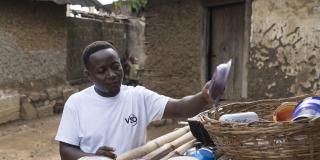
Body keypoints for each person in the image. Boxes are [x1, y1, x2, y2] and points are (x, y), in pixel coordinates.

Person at [55, 41, 212, 160]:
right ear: (89, 75)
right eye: (101, 71)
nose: (111, 74)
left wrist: (203, 97)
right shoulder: (76, 103)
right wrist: (92, 157)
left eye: (115, 66)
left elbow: (180, 108)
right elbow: (66, 150)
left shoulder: (138, 97)